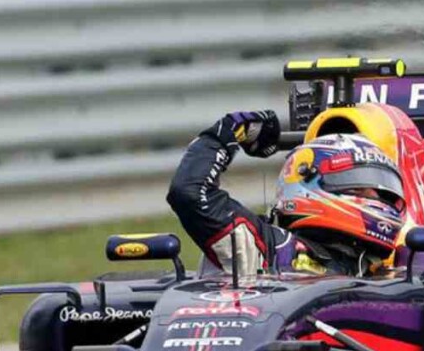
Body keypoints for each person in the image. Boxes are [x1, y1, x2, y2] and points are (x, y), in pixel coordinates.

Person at [167, 110, 407, 276]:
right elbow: (190, 193)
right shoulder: (269, 248)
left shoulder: (390, 270)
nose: (376, 199)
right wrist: (225, 134)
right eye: (358, 186)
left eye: (381, 191)